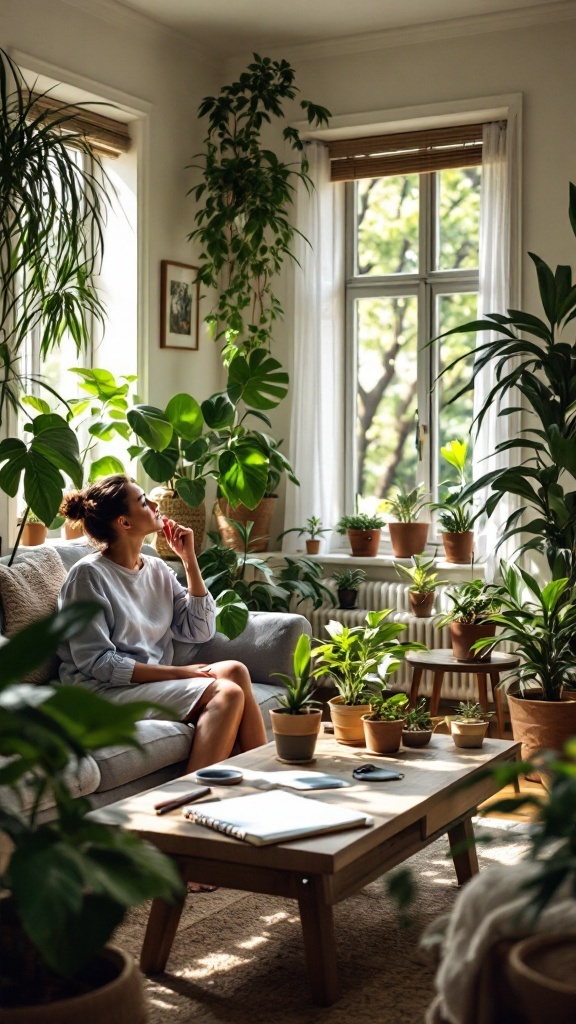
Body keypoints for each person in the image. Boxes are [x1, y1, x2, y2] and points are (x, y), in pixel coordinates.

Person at [57, 474, 267, 774]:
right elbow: (99, 663)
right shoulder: (88, 576)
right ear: (124, 523)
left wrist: (189, 559)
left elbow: (199, 629)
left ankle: (266, 778)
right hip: (101, 693)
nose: (155, 504)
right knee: (228, 693)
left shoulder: (154, 567)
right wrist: (181, 673)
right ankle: (192, 797)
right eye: (144, 501)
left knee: (235, 671)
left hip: (145, 683)